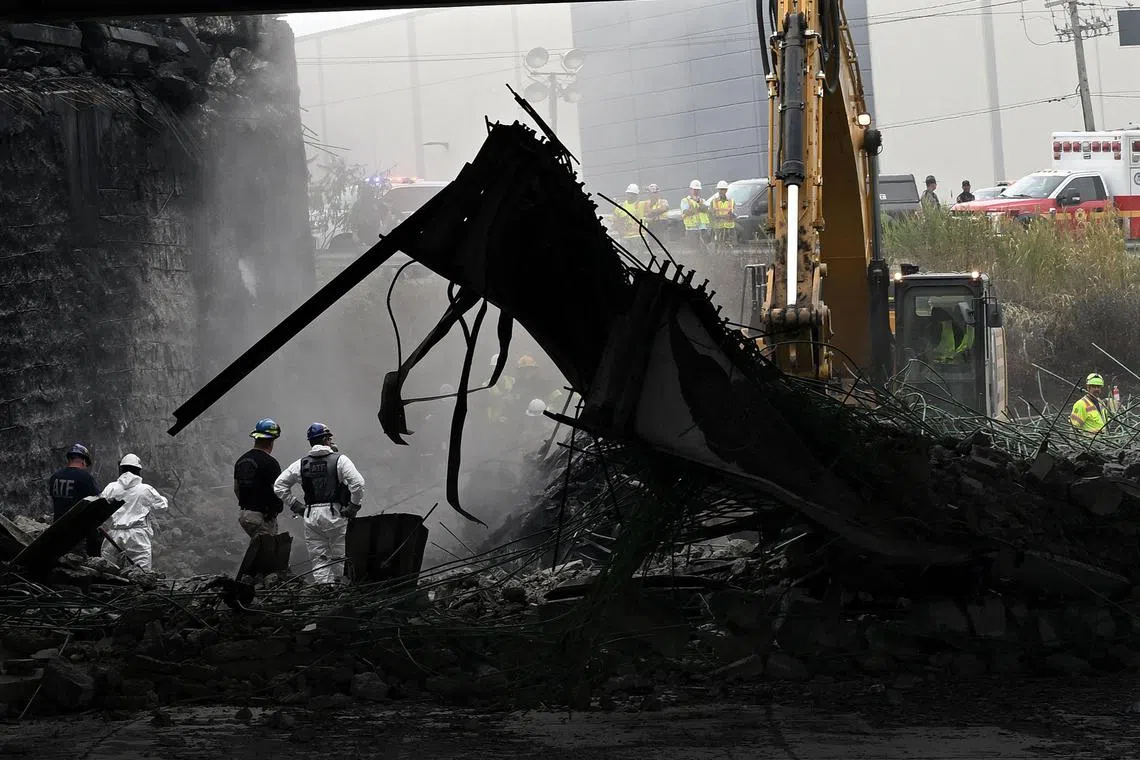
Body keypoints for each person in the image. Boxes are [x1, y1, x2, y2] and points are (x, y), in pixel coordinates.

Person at [274, 423, 365, 585]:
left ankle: (325, 589)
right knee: (339, 554)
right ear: (325, 439)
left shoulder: (301, 464)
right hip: (335, 513)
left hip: (311, 516)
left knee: (319, 557)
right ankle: (340, 589)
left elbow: (279, 485)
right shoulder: (340, 460)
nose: (331, 441)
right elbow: (358, 484)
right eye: (329, 438)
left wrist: (296, 506)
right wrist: (353, 506)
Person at [100, 454, 169, 572]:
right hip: (137, 536)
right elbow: (162, 507)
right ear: (138, 470)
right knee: (141, 573)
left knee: (108, 572)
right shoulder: (145, 489)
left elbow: (100, 507)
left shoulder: (110, 488)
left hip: (114, 534)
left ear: (121, 469)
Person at [48, 443, 101, 556]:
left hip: (58, 529)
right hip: (79, 532)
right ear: (83, 461)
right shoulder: (86, 478)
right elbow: (97, 502)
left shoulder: (55, 477)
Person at [234, 418, 284, 539]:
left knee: (257, 547)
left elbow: (236, 489)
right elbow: (278, 491)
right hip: (262, 517)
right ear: (271, 440)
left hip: (245, 515)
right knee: (267, 552)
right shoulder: (270, 463)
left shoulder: (241, 460)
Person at [680, 180, 710, 246]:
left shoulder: (702, 200)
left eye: (698, 190)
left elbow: (706, 209)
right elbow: (686, 212)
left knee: (706, 247)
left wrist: (698, 203)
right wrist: (698, 209)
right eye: (695, 189)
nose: (696, 191)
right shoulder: (685, 200)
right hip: (691, 229)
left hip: (702, 228)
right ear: (690, 189)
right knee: (694, 249)